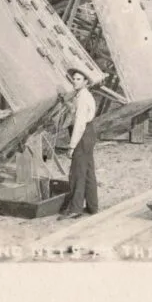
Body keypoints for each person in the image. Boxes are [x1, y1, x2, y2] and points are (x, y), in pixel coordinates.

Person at [60, 68, 98, 219]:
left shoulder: (83, 97)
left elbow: (79, 123)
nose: (75, 82)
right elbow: (77, 111)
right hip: (89, 134)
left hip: (82, 135)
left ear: (86, 82)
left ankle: (75, 209)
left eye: (78, 79)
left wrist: (71, 146)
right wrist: (67, 103)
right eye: (74, 79)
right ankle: (93, 206)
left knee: (77, 172)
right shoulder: (83, 95)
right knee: (88, 171)